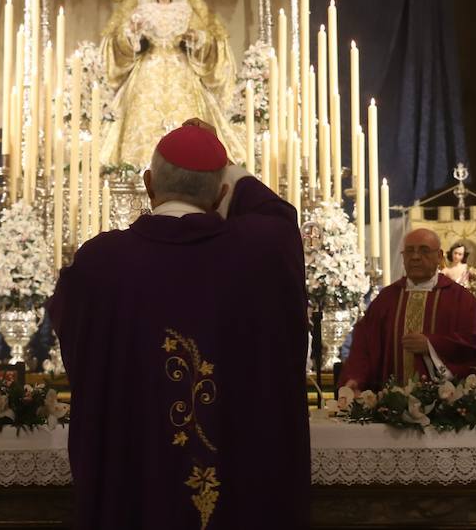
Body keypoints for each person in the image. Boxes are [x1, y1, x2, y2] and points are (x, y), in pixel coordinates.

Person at [49, 120, 309, 529]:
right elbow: (278, 214)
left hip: (134, 484)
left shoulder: (100, 263)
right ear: (222, 193)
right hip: (238, 487)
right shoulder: (259, 252)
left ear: (148, 184)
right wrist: (230, 164)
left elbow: (76, 341)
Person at [99, 0, 242, 169]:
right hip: (150, 66)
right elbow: (126, 40)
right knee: (142, 111)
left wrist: (195, 38)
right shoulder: (142, 10)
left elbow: (204, 36)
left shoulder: (184, 10)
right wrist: (133, 33)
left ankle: (188, 162)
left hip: (179, 66)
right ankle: (138, 164)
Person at [340, 228, 476, 391]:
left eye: (424, 250)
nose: (415, 257)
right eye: (409, 251)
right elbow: (364, 344)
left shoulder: (460, 299)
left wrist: (431, 344)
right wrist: (355, 379)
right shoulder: (386, 299)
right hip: (389, 404)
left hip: (444, 406)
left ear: (439, 257)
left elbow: (473, 342)